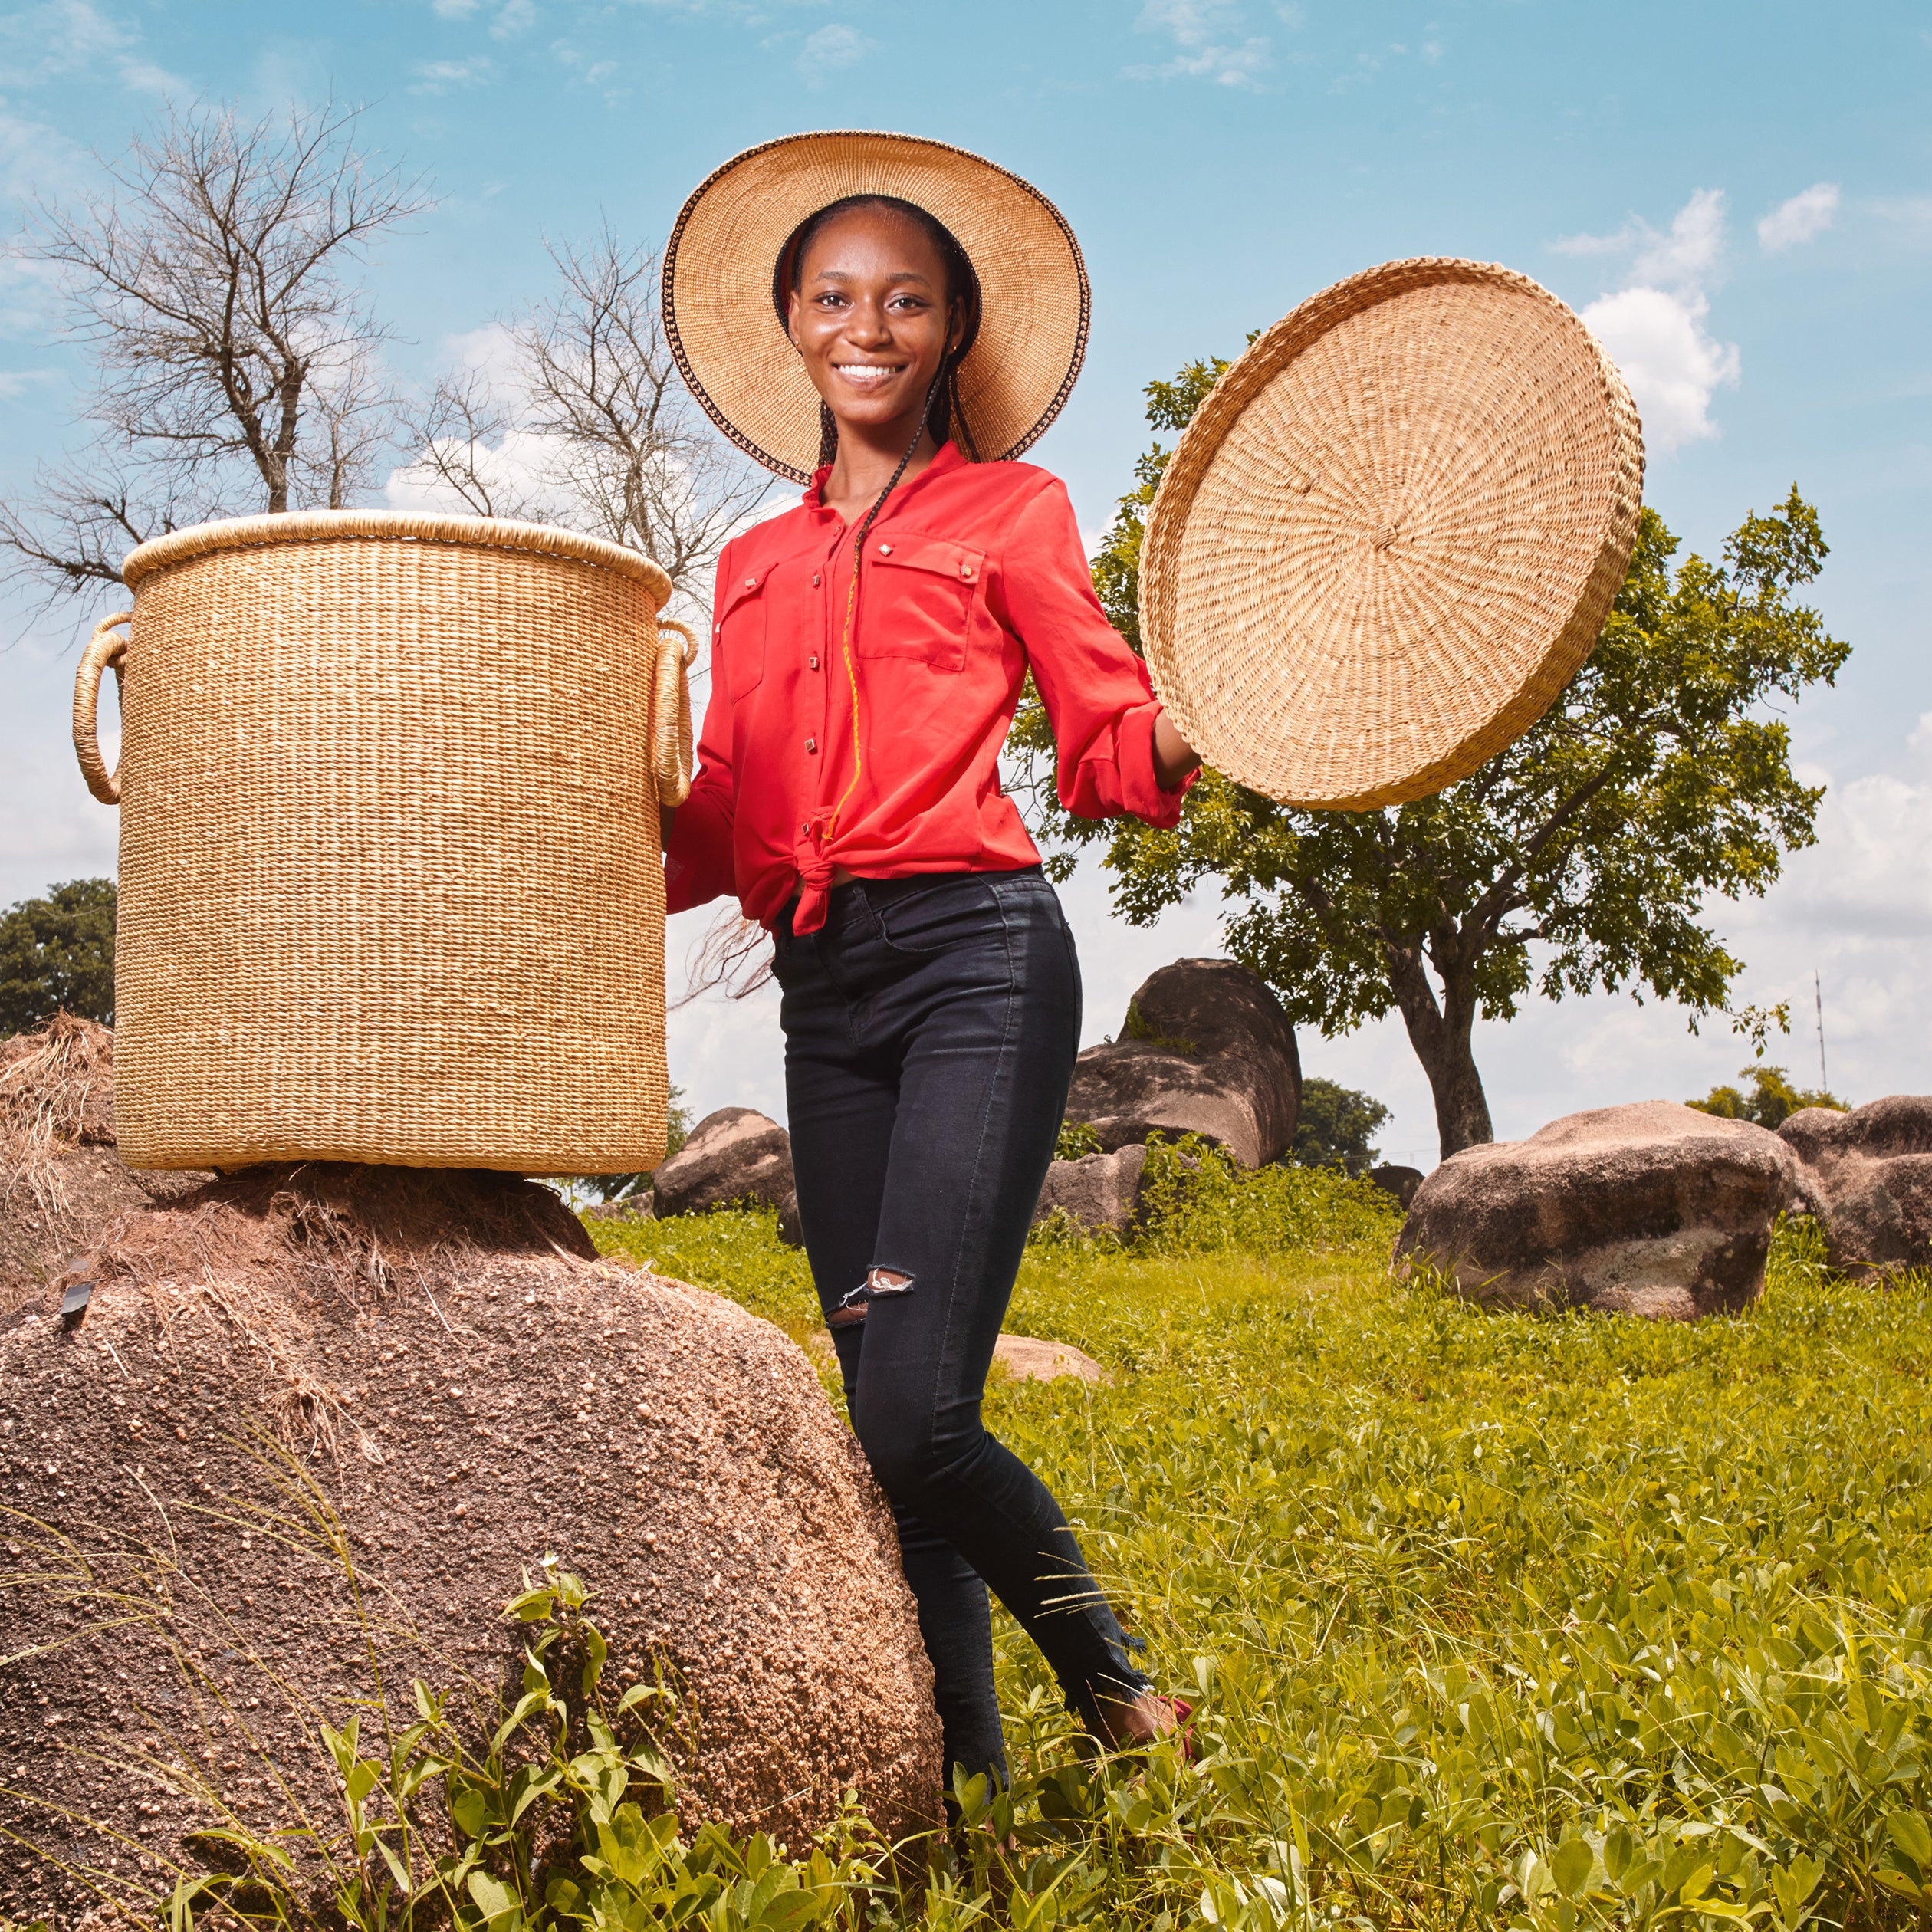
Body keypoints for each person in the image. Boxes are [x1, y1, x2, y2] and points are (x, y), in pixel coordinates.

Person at [659, 133, 1202, 1794]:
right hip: (825, 993)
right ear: (794, 329)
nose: (868, 324)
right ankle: (965, 1785)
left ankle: (1119, 1692)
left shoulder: (1013, 512)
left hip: (977, 959)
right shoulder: (753, 562)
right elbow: (729, 802)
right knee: (902, 1426)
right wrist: (554, 863)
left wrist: (1183, 734)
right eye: (833, 296)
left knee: (910, 1413)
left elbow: (1105, 731)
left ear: (954, 330)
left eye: (907, 297)